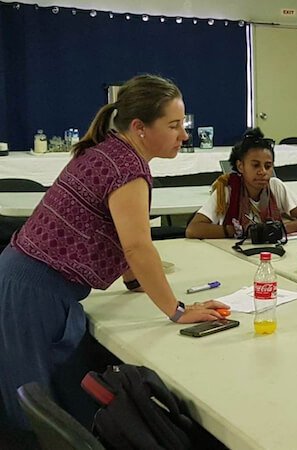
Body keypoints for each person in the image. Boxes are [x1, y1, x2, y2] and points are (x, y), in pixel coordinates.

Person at [0, 75, 229, 439]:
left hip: (22, 279)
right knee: (36, 419)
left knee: (33, 402)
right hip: (35, 293)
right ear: (140, 128)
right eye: (173, 126)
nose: (184, 135)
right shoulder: (127, 168)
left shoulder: (109, 151)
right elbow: (137, 246)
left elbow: (116, 232)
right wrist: (177, 310)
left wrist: (136, 281)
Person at [185, 127, 297, 239]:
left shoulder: (275, 186)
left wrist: (279, 229)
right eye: (255, 165)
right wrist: (237, 231)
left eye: (268, 166)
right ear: (240, 166)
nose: (262, 172)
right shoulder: (228, 190)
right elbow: (193, 229)